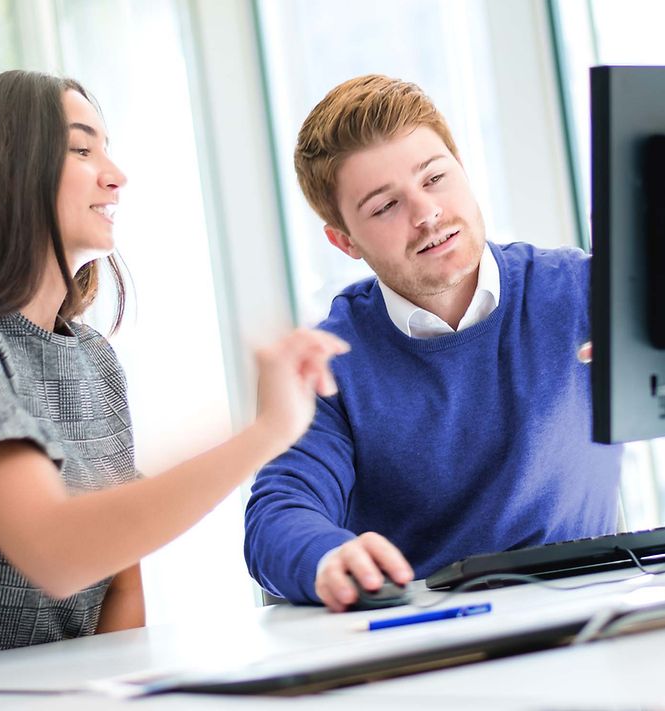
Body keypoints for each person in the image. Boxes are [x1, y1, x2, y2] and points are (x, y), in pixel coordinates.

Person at [0, 70, 347, 661]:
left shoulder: (93, 358)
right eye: (83, 149)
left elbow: (119, 577)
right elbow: (57, 553)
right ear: (4, 174)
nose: (116, 175)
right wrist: (262, 433)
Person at [243, 74, 623, 611]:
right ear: (344, 240)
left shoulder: (584, 293)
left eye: (435, 178)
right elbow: (277, 517)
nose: (426, 213)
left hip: (589, 620)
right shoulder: (331, 363)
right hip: (434, 650)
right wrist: (327, 557)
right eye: (384, 206)